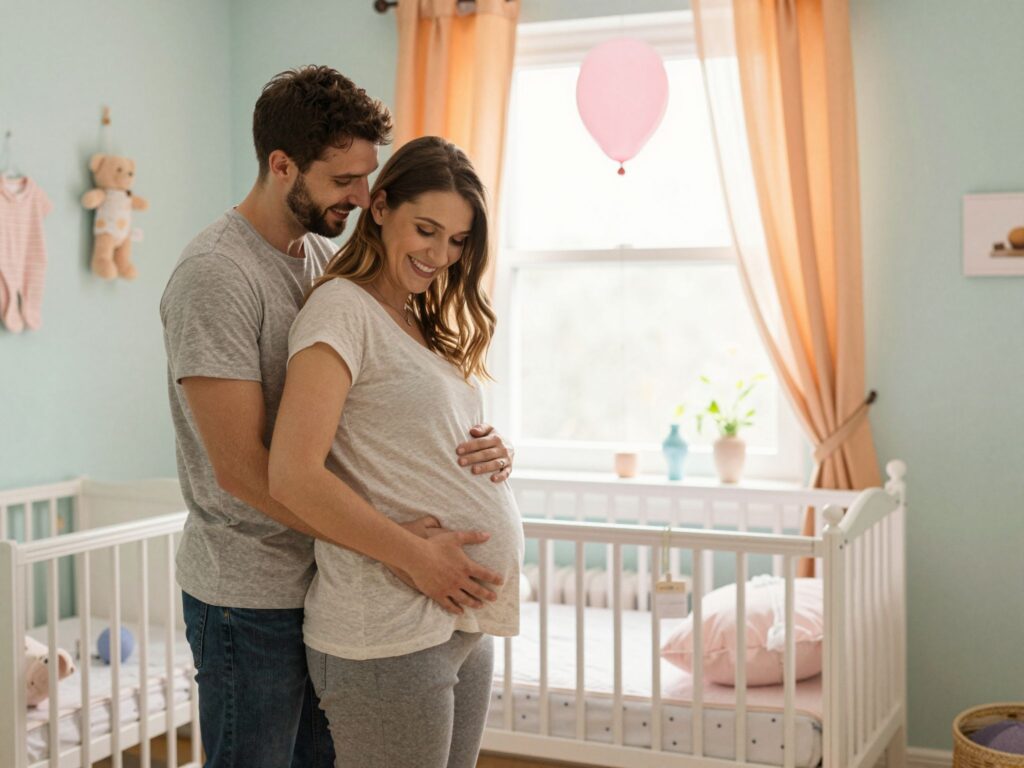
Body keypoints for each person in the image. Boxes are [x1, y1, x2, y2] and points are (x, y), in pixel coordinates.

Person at [160, 67, 515, 768]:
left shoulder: (323, 256)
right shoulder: (216, 275)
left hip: (332, 580)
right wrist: (402, 549)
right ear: (281, 165)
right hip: (250, 594)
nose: (362, 196)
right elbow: (244, 471)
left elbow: (369, 420)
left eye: (367, 178)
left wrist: (475, 452)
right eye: (343, 180)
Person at [268, 135, 522, 768]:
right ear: (379, 208)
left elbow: (410, 439)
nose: (440, 254)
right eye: (426, 230)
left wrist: (493, 453)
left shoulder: (414, 319)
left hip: (455, 619)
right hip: (385, 625)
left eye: (458, 240)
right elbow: (292, 476)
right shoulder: (340, 311)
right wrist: (417, 557)